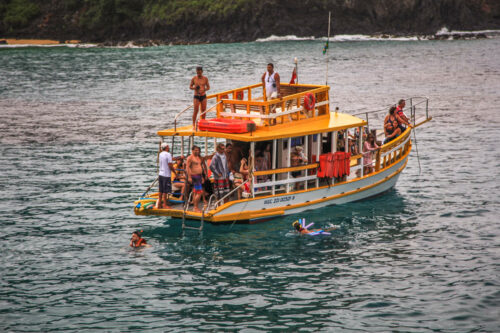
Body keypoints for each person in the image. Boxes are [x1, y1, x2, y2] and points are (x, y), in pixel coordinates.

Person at [186, 145, 204, 213]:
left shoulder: (198, 157)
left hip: (199, 176)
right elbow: (187, 168)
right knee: (200, 192)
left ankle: (195, 207)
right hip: (194, 176)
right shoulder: (190, 158)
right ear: (192, 150)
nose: (197, 151)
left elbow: (200, 166)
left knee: (195, 192)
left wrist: (202, 176)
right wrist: (189, 177)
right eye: (195, 150)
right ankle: (195, 207)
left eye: (198, 150)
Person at [158, 143, 174, 209]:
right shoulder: (168, 154)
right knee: (165, 191)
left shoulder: (160, 154)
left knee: (161, 190)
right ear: (166, 147)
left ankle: (159, 204)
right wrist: (174, 172)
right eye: (168, 146)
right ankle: (164, 204)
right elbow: (170, 164)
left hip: (161, 174)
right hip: (166, 174)